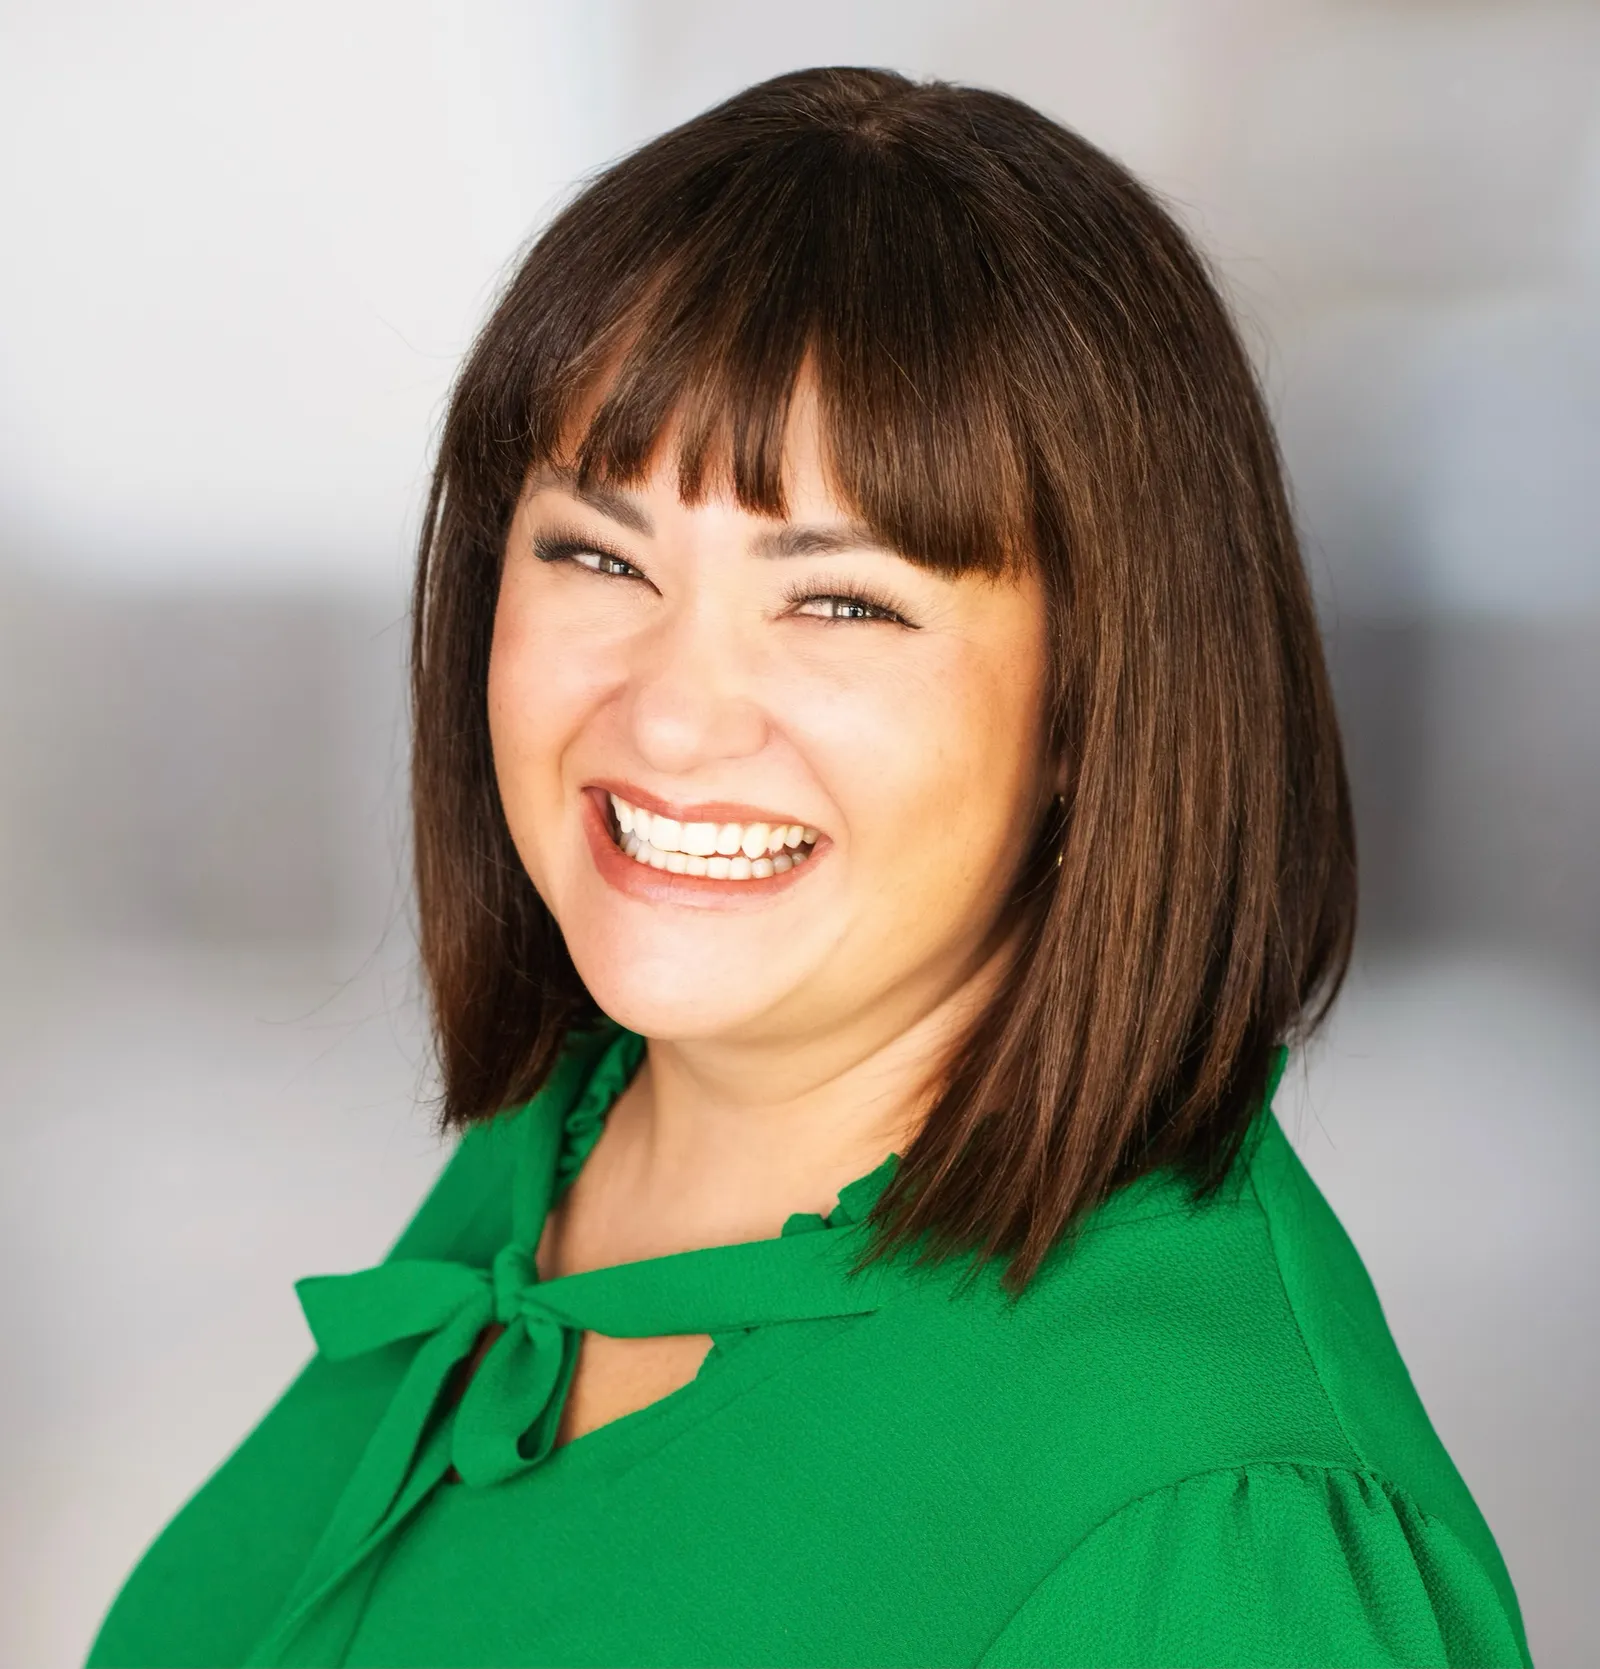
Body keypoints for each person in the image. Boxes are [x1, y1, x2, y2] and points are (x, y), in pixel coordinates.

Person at [86, 66, 1530, 1669]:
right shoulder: (574, 1133)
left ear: (1099, 699)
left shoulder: (1212, 1537)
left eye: (841, 602)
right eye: (597, 553)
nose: (674, 718)